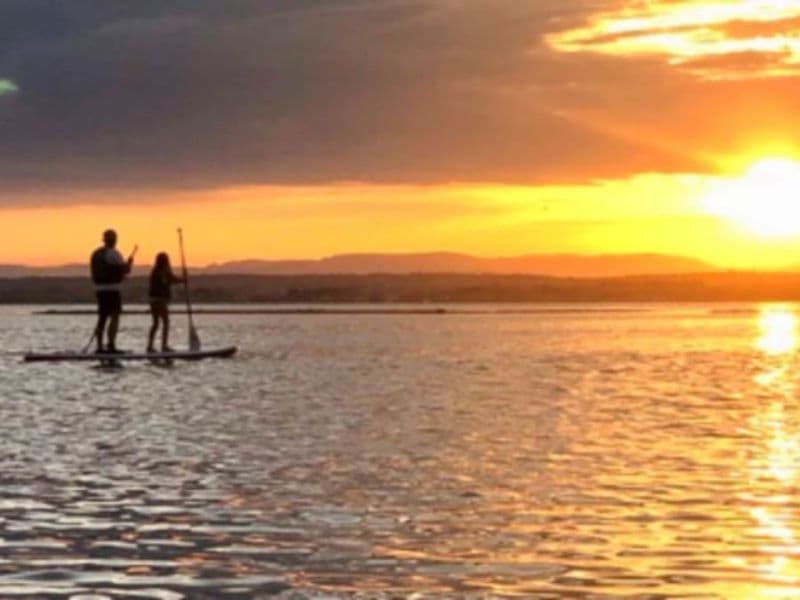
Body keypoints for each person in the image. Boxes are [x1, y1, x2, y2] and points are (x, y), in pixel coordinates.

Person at [90, 229, 135, 353]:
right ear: (114, 240)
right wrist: (130, 264)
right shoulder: (114, 254)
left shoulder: (96, 254)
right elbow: (125, 270)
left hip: (99, 290)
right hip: (112, 290)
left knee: (102, 318)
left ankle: (99, 347)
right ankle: (111, 345)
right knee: (115, 316)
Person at [147, 252, 184, 353]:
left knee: (156, 323)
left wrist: (181, 279)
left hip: (154, 300)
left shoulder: (157, 271)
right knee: (165, 322)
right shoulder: (161, 271)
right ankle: (163, 346)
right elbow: (170, 279)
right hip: (159, 300)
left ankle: (150, 346)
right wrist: (182, 280)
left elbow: (171, 279)